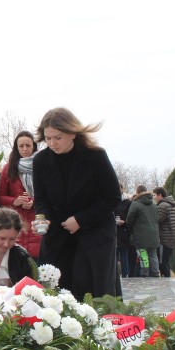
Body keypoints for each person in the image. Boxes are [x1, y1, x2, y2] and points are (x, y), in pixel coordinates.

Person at [31, 108, 122, 301]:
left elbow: (113, 197)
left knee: (93, 294)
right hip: (58, 236)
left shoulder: (95, 156)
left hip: (94, 235)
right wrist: (43, 219)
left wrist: (81, 219)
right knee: (55, 295)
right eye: (47, 138)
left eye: (58, 137)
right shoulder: (41, 160)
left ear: (72, 133)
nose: (52, 143)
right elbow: (41, 200)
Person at [0, 130, 42, 258]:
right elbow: (0, 196)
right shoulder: (9, 167)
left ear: (34, 146)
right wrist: (14, 201)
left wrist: (34, 202)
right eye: (21, 146)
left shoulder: (42, 165)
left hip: (38, 220)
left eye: (28, 145)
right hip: (16, 222)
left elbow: (51, 195)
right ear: (16, 148)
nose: (25, 149)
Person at [126, 185, 160, 277]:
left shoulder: (135, 203)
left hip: (140, 235)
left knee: (143, 255)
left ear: (137, 193)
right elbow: (158, 218)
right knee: (153, 255)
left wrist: (130, 229)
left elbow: (129, 219)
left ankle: (145, 274)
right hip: (154, 234)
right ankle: (155, 273)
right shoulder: (154, 204)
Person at [153, 186, 175, 277]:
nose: (154, 197)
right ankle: (167, 279)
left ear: (160, 195)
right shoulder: (170, 204)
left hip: (164, 239)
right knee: (166, 263)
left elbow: (158, 221)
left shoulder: (162, 205)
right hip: (170, 238)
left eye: (155, 195)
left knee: (162, 264)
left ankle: (166, 282)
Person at [114, 183, 133, 278]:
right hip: (113, 232)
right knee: (114, 258)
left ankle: (125, 276)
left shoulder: (128, 202)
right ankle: (115, 277)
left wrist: (124, 222)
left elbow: (131, 218)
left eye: (120, 188)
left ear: (122, 189)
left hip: (124, 232)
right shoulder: (112, 201)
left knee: (124, 257)